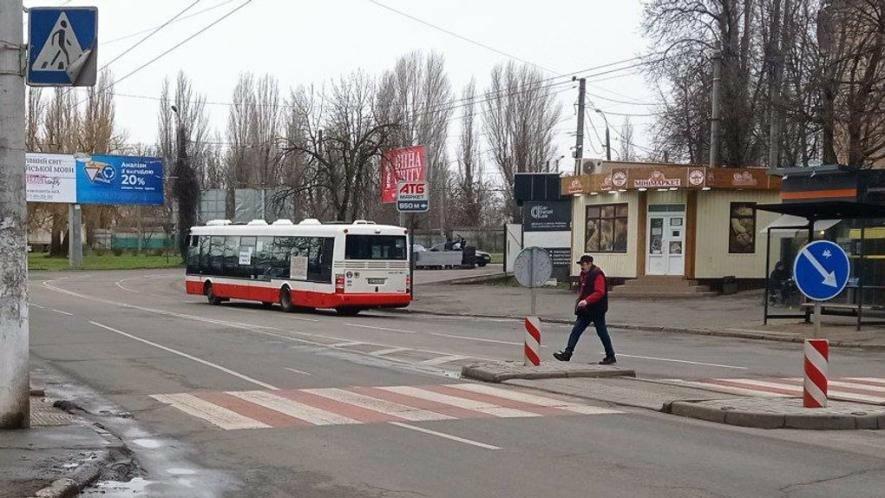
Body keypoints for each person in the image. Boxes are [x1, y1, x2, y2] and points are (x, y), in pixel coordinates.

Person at [554, 254, 616, 365]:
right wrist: (580, 302)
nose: (582, 267)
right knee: (576, 331)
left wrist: (587, 300)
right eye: (581, 265)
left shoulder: (597, 275)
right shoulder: (584, 275)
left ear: (589, 263)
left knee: (602, 332)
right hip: (585, 309)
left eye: (583, 264)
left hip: (597, 309)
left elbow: (600, 292)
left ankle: (610, 355)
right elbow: (583, 290)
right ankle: (567, 353)